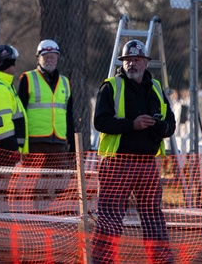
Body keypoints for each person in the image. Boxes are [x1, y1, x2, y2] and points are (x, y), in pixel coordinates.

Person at [92, 39, 176, 264]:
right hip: (118, 163)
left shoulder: (156, 88)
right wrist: (132, 124)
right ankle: (104, 260)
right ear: (123, 63)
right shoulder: (110, 87)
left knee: (153, 216)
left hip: (148, 164)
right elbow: (100, 121)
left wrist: (161, 127)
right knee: (111, 216)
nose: (132, 64)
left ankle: (160, 260)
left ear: (146, 63)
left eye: (137, 59)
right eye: (128, 60)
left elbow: (171, 123)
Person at [18, 39, 74, 166]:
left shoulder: (65, 82)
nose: (49, 60)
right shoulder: (28, 79)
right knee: (34, 183)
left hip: (58, 143)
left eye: (53, 57)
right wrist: (21, 143)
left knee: (58, 183)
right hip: (35, 143)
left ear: (57, 58)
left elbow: (69, 115)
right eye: (46, 57)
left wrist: (72, 143)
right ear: (38, 58)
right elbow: (20, 113)